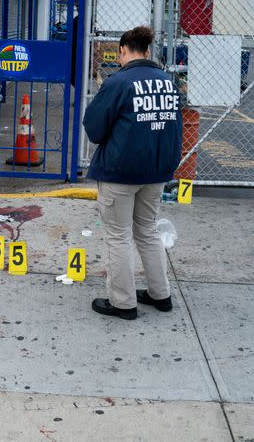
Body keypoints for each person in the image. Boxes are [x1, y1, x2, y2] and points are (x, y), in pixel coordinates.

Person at [82, 26, 183, 320]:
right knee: (148, 231)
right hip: (156, 171)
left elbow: (95, 128)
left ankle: (123, 303)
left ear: (123, 50)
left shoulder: (119, 82)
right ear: (148, 51)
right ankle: (159, 294)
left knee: (118, 236)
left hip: (120, 172)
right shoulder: (167, 82)